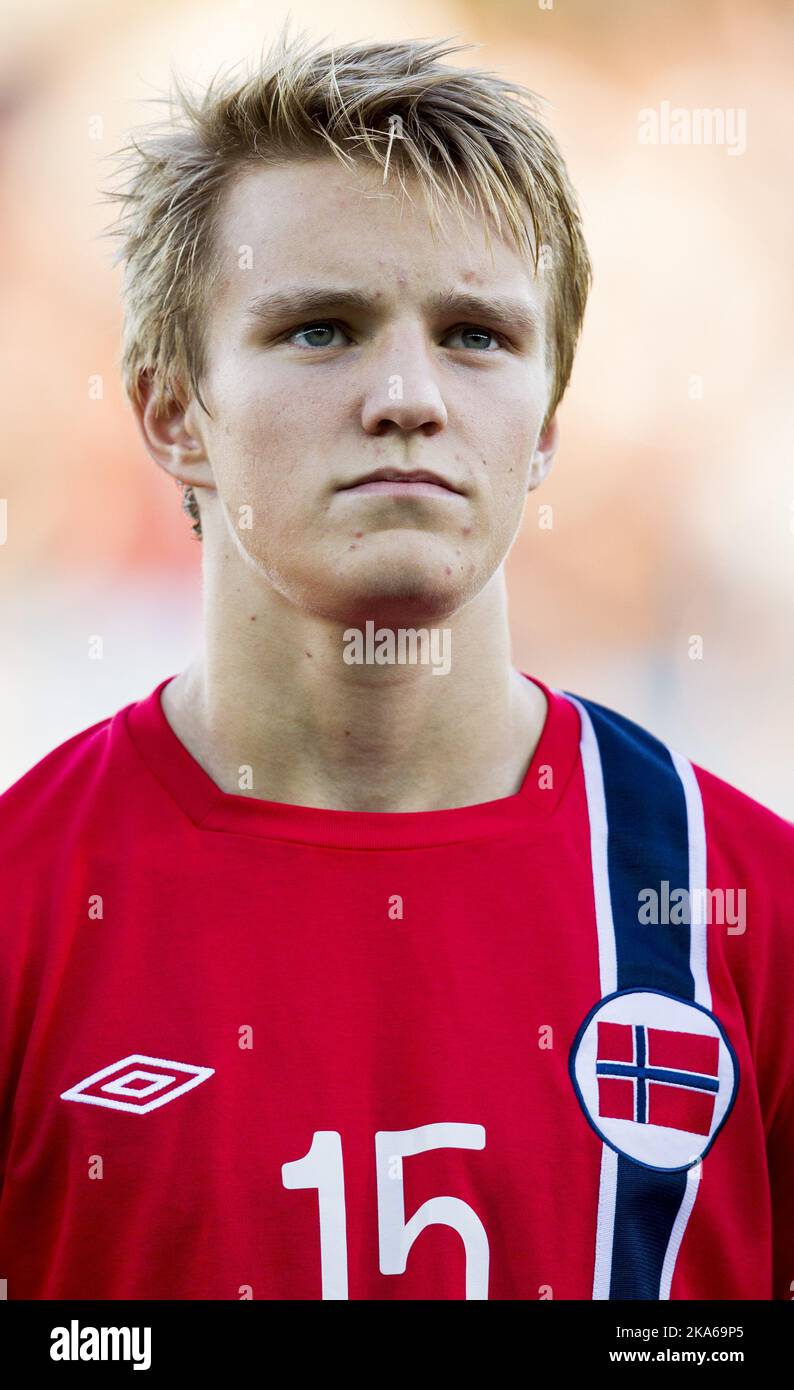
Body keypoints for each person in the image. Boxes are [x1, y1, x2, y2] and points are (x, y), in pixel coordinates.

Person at [0, 29, 791, 1302]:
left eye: (476, 333)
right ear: (168, 411)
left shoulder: (734, 909)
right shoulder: (28, 905)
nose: (408, 396)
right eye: (322, 331)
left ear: (543, 423)